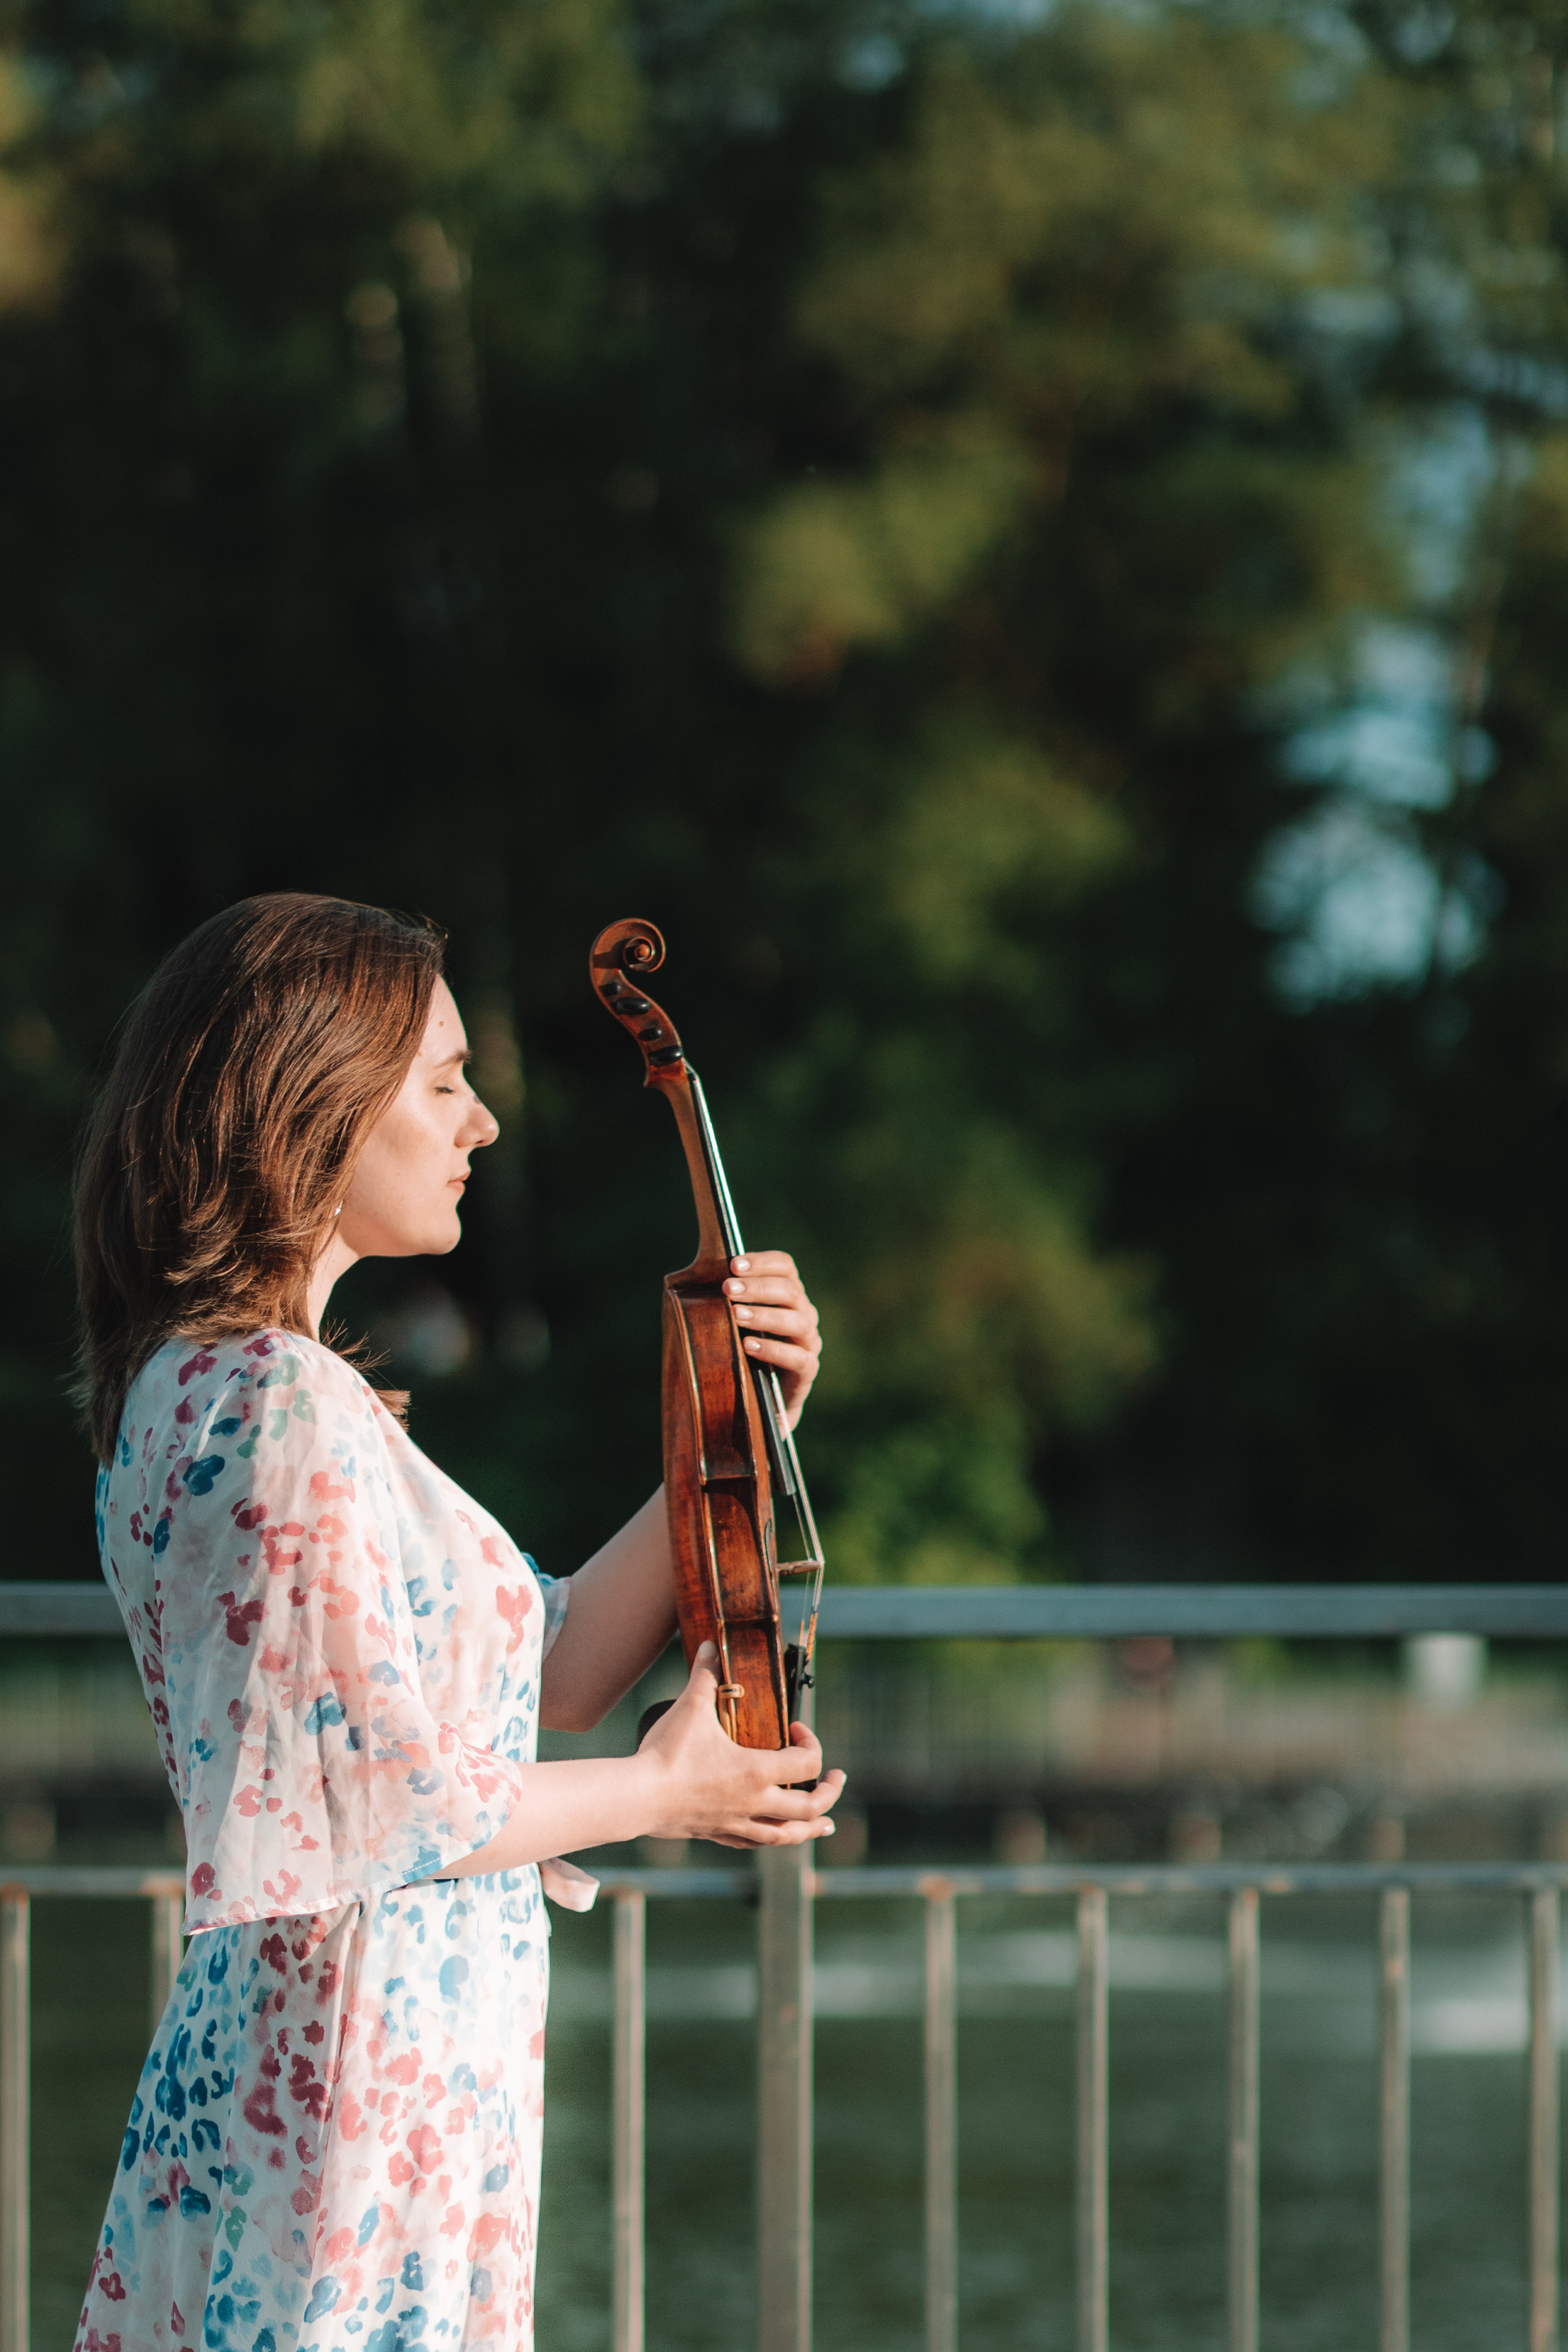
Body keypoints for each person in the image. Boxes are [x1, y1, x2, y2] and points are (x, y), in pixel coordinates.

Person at [70, 892, 844, 2352]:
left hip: (364, 2078)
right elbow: (366, 1798)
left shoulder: (242, 1390)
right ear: (310, 1103)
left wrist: (729, 1434)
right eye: (442, 1082)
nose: (481, 1122)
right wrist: (667, 1790)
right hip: (351, 2090)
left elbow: (541, 1678)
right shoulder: (271, 1403)